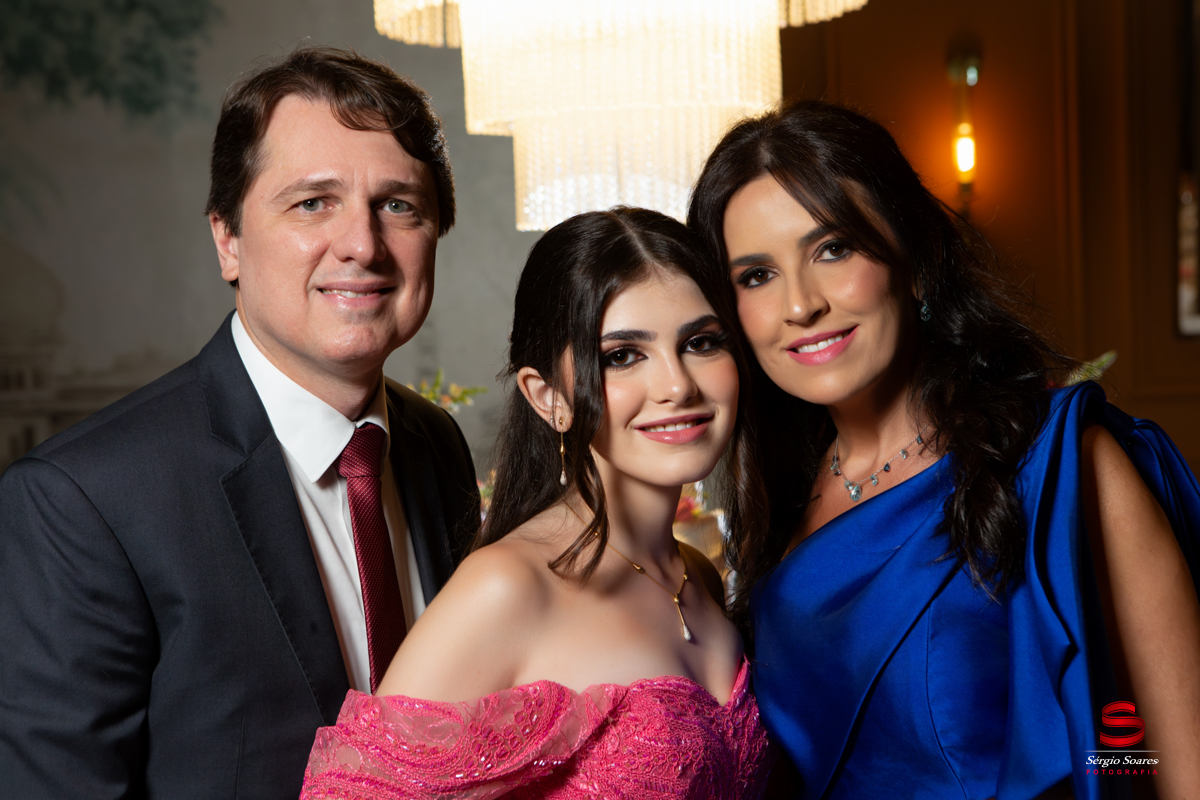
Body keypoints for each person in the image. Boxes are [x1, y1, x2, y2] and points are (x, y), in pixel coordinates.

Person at [0, 47, 479, 799]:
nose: (362, 244)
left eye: (398, 205)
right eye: (312, 203)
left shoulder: (433, 444)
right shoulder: (84, 499)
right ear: (228, 238)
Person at [687, 100, 1200, 799]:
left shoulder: (1058, 464)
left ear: (916, 261)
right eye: (756, 276)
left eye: (832, 249)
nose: (799, 305)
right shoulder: (777, 505)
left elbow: (1166, 760)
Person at [300, 208, 774, 799]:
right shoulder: (508, 587)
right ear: (548, 397)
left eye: (701, 343)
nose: (678, 385)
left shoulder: (695, 574)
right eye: (622, 355)